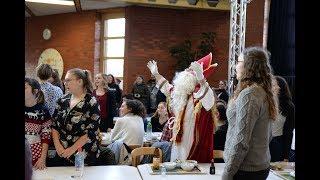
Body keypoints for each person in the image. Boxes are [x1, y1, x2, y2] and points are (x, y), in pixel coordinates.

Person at [147, 52, 218, 163]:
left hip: (192, 139)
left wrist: (201, 78)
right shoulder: (178, 93)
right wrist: (156, 74)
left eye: (189, 71)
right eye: (187, 69)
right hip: (177, 140)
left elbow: (209, 99)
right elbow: (166, 86)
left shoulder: (200, 94)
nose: (186, 71)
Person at [222, 47, 279, 180]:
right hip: (258, 166)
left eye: (238, 61)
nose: (235, 66)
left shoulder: (250, 95)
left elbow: (241, 141)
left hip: (245, 170)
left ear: (249, 66)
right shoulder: (264, 91)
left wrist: (228, 173)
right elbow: (269, 133)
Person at [51, 68, 112, 166]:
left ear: (80, 81)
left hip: (84, 154)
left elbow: (90, 132)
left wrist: (71, 150)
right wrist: (58, 146)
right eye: (65, 80)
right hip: (62, 152)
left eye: (68, 80)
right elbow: (54, 125)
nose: (65, 83)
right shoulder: (62, 100)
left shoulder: (91, 102)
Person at [25, 78, 52, 170]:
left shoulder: (43, 111)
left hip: (35, 158)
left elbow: (46, 136)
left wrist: (42, 158)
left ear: (35, 91)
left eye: (25, 88)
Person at [270, 76, 295, 162]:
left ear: (280, 88)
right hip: (262, 143)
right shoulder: (265, 102)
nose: (271, 87)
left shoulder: (289, 106)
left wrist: (286, 156)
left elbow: (289, 132)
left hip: (277, 143)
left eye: (273, 85)